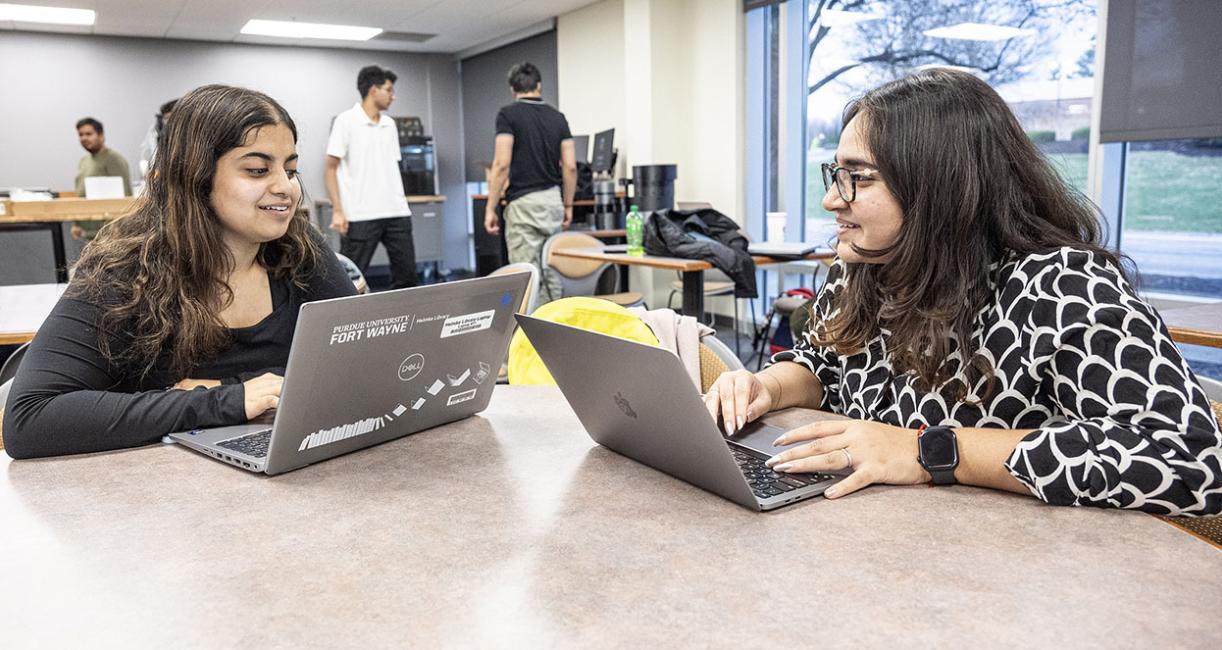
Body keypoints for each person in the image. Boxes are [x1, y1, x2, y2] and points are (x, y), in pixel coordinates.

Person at [705, 69, 1222, 516]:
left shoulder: (1061, 285)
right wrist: (767, 387)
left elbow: (1187, 458)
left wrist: (928, 452)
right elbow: (825, 366)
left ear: (939, 187)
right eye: (836, 175)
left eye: (857, 179)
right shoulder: (869, 263)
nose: (829, 200)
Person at [2, 85, 356, 459]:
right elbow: (30, 419)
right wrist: (227, 400)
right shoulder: (123, 270)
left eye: (290, 170)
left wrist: (216, 387)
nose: (286, 188)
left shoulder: (301, 250)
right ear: (196, 176)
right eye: (257, 170)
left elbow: (360, 364)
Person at [483, 62, 576, 304]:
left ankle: (528, 335)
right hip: (552, 201)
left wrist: (490, 207)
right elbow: (570, 166)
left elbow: (501, 164)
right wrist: (568, 205)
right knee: (552, 271)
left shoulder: (508, 114)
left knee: (526, 276)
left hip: (523, 204)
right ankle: (556, 331)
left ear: (513, 89)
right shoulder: (558, 118)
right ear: (539, 86)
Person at [325, 65, 419, 289]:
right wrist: (338, 210)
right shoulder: (345, 121)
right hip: (361, 214)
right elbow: (330, 168)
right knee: (348, 280)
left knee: (407, 278)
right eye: (389, 90)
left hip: (397, 211)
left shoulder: (390, 125)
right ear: (373, 90)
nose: (393, 96)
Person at [72, 117, 132, 240]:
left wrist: (118, 228)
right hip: (88, 234)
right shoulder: (84, 161)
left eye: (88, 134)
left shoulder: (113, 159)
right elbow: (81, 193)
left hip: (110, 235)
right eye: (80, 135)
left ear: (101, 135)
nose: (84, 138)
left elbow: (125, 196)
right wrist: (76, 223)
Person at [138, 98, 178, 178]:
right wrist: (147, 169)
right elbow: (145, 154)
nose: (168, 122)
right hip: (161, 179)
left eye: (171, 117)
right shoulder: (155, 131)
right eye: (166, 118)